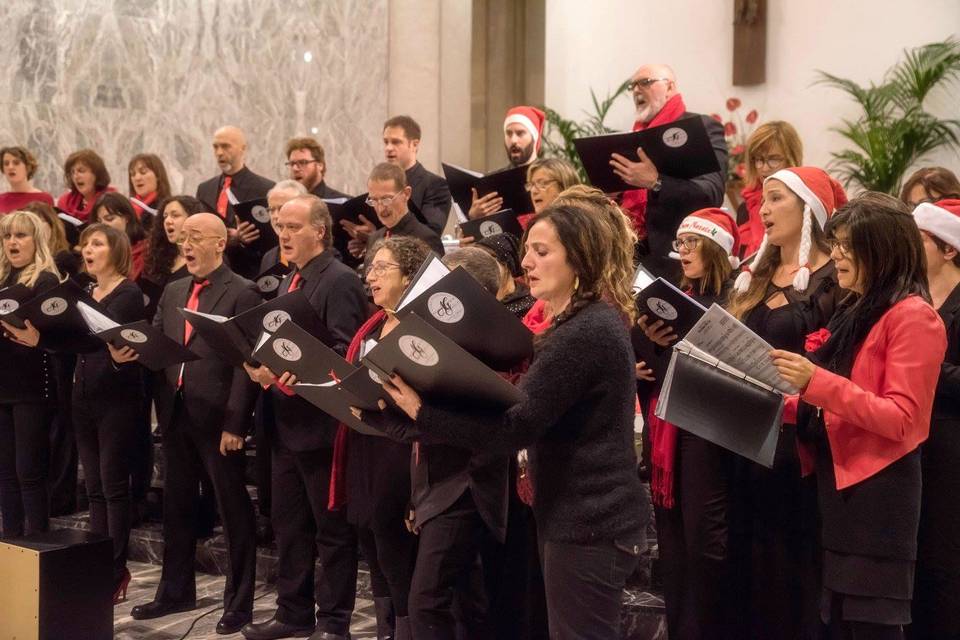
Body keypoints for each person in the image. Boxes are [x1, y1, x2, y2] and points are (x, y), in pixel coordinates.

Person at [373, 198, 651, 639]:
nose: (527, 262)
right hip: (582, 515)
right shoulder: (578, 324)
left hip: (590, 520)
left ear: (579, 256)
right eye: (527, 251)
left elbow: (514, 427)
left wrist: (422, 411)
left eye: (543, 251)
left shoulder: (584, 332)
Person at [771, 193, 946, 639]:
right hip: (842, 489)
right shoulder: (860, 308)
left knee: (872, 628)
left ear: (882, 249)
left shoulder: (914, 317)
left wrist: (815, 382)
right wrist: (772, 402)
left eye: (849, 246)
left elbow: (903, 418)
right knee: (843, 624)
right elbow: (835, 397)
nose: (838, 256)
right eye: (837, 244)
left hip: (879, 497)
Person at [358, 240, 510, 639]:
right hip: (437, 484)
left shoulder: (484, 348)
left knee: (427, 600)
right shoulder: (443, 339)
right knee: (465, 602)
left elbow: (448, 427)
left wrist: (393, 417)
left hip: (466, 485)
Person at [726, 166, 847, 639]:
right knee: (746, 564)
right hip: (740, 429)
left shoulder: (832, 277)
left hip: (795, 443)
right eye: (763, 200)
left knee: (789, 568)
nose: (763, 208)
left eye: (776, 199)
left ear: (809, 210)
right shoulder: (752, 275)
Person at [240, 195, 368, 640]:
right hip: (283, 422)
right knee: (289, 526)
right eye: (280, 226)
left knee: (331, 531)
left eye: (294, 226)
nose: (284, 234)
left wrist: (296, 368)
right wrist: (257, 363)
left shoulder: (340, 281)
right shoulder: (287, 280)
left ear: (320, 230)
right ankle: (292, 613)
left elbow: (347, 350)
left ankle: (334, 622)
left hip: (321, 426)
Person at [128, 213, 260, 635]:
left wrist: (237, 423)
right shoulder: (173, 289)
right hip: (176, 413)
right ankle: (174, 590)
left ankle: (238, 602)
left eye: (195, 237)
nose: (185, 244)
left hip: (219, 418)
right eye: (183, 237)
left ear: (220, 244)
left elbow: (247, 365)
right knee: (176, 507)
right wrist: (127, 347)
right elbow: (157, 340)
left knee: (233, 510)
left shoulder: (243, 292)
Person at [6, 224, 145, 602]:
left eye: (97, 244)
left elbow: (100, 340)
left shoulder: (128, 292)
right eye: (85, 244)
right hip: (82, 396)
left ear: (115, 250)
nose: (87, 249)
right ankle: (98, 565)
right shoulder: (84, 292)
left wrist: (54, 338)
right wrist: (42, 339)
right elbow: (74, 342)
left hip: (116, 398)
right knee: (95, 489)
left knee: (114, 488)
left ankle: (116, 570)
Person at [636, 208, 739, 639]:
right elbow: (653, 368)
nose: (684, 251)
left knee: (704, 546)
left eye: (693, 242)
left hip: (709, 433)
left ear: (717, 248)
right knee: (674, 547)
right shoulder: (678, 292)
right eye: (680, 243)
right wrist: (652, 345)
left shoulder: (736, 297)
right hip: (669, 424)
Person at [610, 63, 727, 282]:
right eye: (632, 86)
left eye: (645, 82)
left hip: (678, 255)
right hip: (630, 253)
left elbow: (712, 193)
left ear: (670, 87)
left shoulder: (702, 127)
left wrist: (656, 182)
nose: (636, 90)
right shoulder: (632, 137)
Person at [907, 198, 960, 639]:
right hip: (912, 444)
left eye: (920, 238)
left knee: (945, 558)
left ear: (949, 249)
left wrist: (923, 366)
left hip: (951, 445)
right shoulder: (912, 298)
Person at [0, 211, 61, 537]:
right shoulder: (1, 278)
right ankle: (9, 547)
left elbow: (58, 335)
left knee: (29, 472)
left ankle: (37, 547)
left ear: (36, 240)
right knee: (5, 474)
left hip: (33, 386)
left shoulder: (45, 281)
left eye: (20, 235)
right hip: (3, 384)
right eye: (8, 235)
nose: (12, 242)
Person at [195, 125, 276, 278]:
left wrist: (242, 239)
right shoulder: (204, 189)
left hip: (248, 271)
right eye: (215, 147)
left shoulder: (265, 188)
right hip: (210, 271)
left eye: (225, 146)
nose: (219, 152)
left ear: (242, 148)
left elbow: (272, 239)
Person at [467, 106, 548, 220]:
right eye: (509, 134)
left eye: (520, 133)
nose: (513, 140)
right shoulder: (492, 180)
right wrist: (474, 217)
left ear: (534, 137)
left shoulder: (551, 175)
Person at [357, 162, 445, 265]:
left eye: (386, 199)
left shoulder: (426, 239)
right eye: (374, 200)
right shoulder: (374, 239)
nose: (380, 208)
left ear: (406, 194)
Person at [738, 121, 803, 259]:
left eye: (773, 159)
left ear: (792, 158)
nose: (764, 168)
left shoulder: (805, 203)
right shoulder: (746, 207)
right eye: (759, 160)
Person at [381, 115, 452, 234]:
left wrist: (381, 234)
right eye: (386, 142)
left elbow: (431, 232)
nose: (388, 148)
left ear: (414, 144)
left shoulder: (436, 185)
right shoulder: (382, 184)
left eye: (396, 142)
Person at [475, 232, 536, 317]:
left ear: (506, 263)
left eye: (487, 261)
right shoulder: (479, 303)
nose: (481, 268)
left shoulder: (531, 304)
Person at [91, 192, 148, 280]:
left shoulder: (147, 251)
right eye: (99, 221)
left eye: (109, 219)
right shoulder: (97, 252)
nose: (103, 225)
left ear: (127, 218)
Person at [56, 149, 114, 221]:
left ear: (96, 174)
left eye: (81, 171)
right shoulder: (65, 202)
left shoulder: (111, 200)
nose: (76, 176)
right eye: (72, 172)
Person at [0, 146, 54, 213]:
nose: (10, 167)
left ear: (28, 167)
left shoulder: (43, 199)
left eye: (16, 163)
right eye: (6, 164)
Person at [127, 153, 173, 221]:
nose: (137, 178)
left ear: (157, 175)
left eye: (143, 172)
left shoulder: (167, 209)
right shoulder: (127, 209)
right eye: (133, 174)